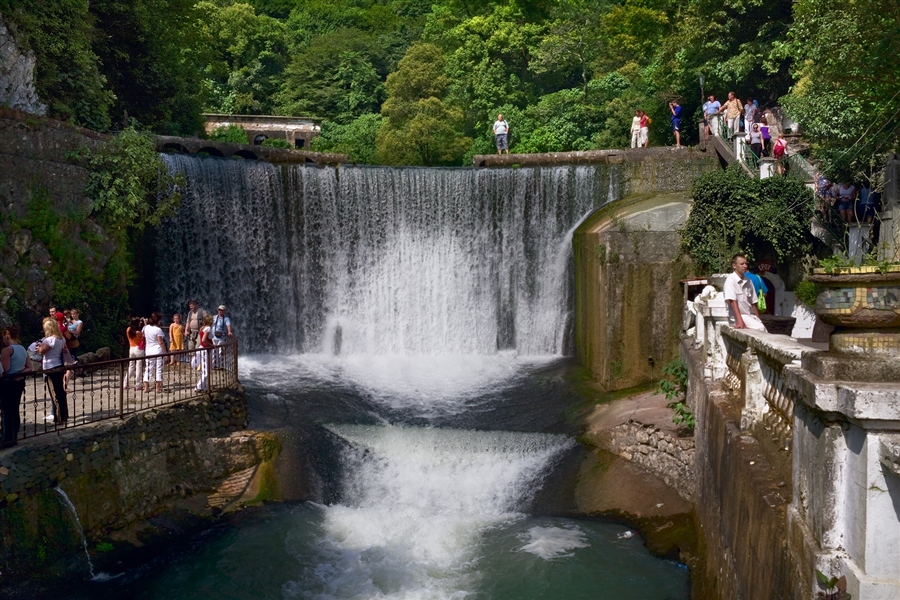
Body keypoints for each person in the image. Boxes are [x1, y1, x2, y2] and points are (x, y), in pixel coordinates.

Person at [0, 325, 31, 448]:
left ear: (7, 335)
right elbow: (30, 367)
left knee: (7, 411)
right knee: (14, 409)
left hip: (8, 383)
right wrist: (20, 373)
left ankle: (7, 439)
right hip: (19, 382)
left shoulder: (7, 350)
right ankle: (13, 438)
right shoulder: (22, 349)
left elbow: (5, 369)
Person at [723, 254, 766, 332]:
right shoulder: (730, 280)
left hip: (750, 315)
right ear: (734, 266)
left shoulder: (748, 281)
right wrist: (740, 321)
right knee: (760, 328)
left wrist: (759, 319)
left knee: (763, 329)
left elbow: (753, 302)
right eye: (742, 264)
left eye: (746, 264)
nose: (745, 266)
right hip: (738, 316)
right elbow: (732, 301)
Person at [38, 318, 68, 424]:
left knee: (54, 393)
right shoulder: (61, 339)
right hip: (59, 365)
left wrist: (38, 347)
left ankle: (58, 418)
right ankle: (64, 415)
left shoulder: (49, 340)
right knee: (60, 392)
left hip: (50, 367)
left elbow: (42, 351)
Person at [142, 312, 166, 393]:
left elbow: (144, 336)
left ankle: (146, 387)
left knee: (148, 368)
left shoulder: (146, 328)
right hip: (157, 350)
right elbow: (160, 342)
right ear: (158, 321)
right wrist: (165, 353)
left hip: (148, 350)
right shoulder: (158, 330)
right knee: (159, 369)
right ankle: (157, 388)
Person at [124, 317, 145, 390]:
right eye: (139, 322)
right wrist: (145, 324)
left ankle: (125, 383)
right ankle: (138, 384)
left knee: (131, 366)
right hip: (138, 349)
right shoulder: (138, 332)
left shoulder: (128, 330)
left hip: (131, 349)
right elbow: (144, 336)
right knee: (138, 367)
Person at [195, 314, 214, 391]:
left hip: (201, 348)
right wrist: (212, 345)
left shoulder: (202, 328)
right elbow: (204, 340)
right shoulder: (208, 328)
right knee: (206, 371)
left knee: (204, 369)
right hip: (206, 350)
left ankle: (204, 386)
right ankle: (198, 387)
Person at [212, 305, 233, 369]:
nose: (220, 311)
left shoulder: (226, 318)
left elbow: (228, 325)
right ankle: (212, 365)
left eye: (221, 310)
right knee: (213, 351)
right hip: (213, 336)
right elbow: (210, 323)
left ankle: (218, 366)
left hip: (221, 337)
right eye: (219, 310)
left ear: (224, 311)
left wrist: (229, 331)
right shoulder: (214, 317)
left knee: (220, 352)